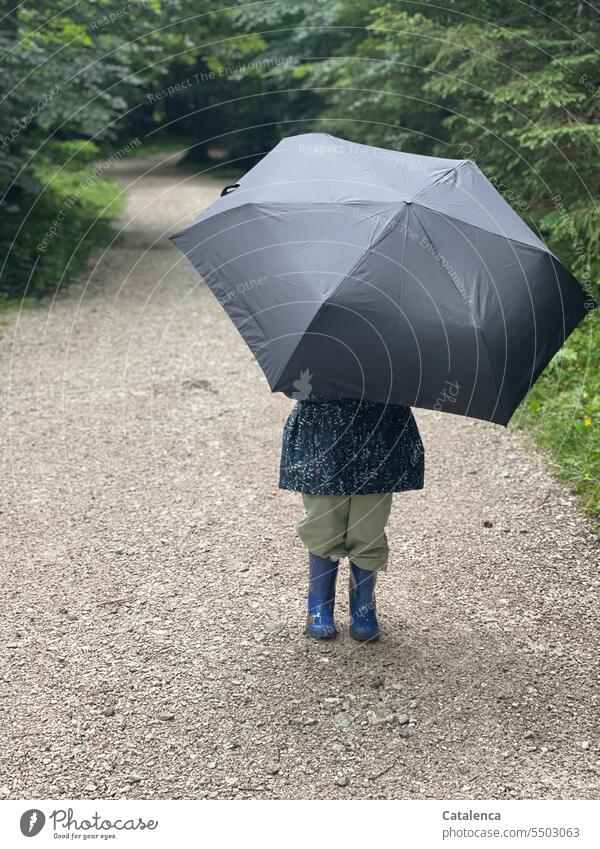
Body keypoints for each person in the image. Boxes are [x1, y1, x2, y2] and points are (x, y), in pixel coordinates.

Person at [279, 391, 424, 642]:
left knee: (368, 527)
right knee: (323, 521)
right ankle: (319, 606)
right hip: (323, 433)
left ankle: (363, 608)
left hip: (378, 431)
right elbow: (294, 383)